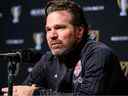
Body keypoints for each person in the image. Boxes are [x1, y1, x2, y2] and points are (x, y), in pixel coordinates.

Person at [2, 0, 128, 96]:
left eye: (59, 28)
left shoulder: (98, 54)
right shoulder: (49, 59)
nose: (52, 35)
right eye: (48, 29)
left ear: (79, 32)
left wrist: (36, 93)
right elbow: (25, 90)